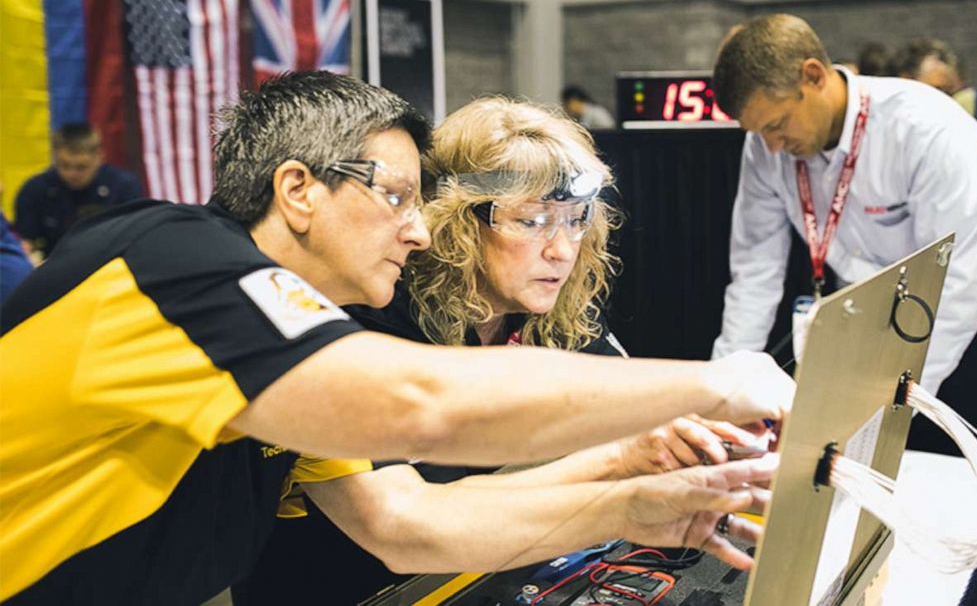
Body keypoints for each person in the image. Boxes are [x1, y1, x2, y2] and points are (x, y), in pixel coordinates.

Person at [0, 72, 792, 604]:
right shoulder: (170, 258)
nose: (420, 233)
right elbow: (424, 403)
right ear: (298, 188)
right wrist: (718, 382)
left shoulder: (298, 338)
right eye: (398, 197)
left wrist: (635, 495)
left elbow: (405, 524)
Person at [234, 97, 766, 604]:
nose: (560, 249)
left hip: (487, 574)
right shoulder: (371, 314)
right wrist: (622, 477)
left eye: (576, 218)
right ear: (458, 224)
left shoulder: (551, 306)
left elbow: (639, 432)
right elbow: (407, 525)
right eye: (531, 220)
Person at [709, 14, 977, 456]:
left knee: (954, 490)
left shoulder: (929, 129)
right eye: (758, 132)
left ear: (814, 75)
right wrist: (722, 394)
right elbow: (754, 271)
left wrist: (890, 406)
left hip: (960, 339)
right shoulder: (766, 148)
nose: (772, 147)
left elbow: (963, 285)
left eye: (777, 124)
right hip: (863, 331)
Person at [13, 122, 142, 258]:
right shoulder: (34, 190)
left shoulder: (123, 187)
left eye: (81, 167)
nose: (71, 174)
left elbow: (136, 239)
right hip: (51, 266)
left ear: (99, 157)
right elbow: (26, 243)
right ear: (54, 158)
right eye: (64, 165)